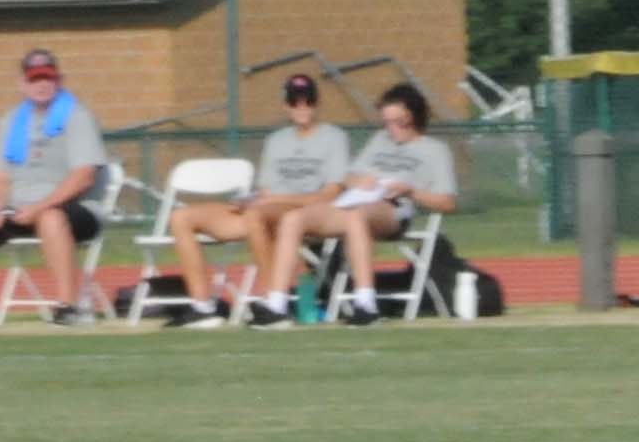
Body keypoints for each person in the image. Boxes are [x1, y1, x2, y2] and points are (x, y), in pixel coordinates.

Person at [256, 83, 456, 325]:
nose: (392, 129)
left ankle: (365, 304)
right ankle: (276, 305)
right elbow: (349, 177)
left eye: (399, 122)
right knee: (293, 219)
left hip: (393, 208)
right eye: (387, 122)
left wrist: (411, 191)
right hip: (355, 202)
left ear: (414, 117)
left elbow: (447, 202)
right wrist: (360, 181)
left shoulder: (434, 150)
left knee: (356, 217)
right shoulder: (380, 140)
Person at [166, 69, 351, 326]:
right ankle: (203, 307)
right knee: (181, 217)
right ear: (286, 105)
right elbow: (266, 191)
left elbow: (329, 195)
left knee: (255, 214)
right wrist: (257, 201)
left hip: (304, 212)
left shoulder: (334, 137)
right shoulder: (276, 140)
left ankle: (271, 301)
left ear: (317, 103)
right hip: (267, 210)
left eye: (308, 101)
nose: (302, 107)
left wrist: (269, 202)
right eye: (294, 101)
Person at [0, 44, 108, 326]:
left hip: (76, 209)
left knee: (50, 218)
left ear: (58, 80)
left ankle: (68, 307)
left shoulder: (77, 116)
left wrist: (39, 208)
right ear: (22, 84)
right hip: (20, 210)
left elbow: (84, 176)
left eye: (48, 78)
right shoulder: (11, 120)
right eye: (35, 79)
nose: (42, 85)